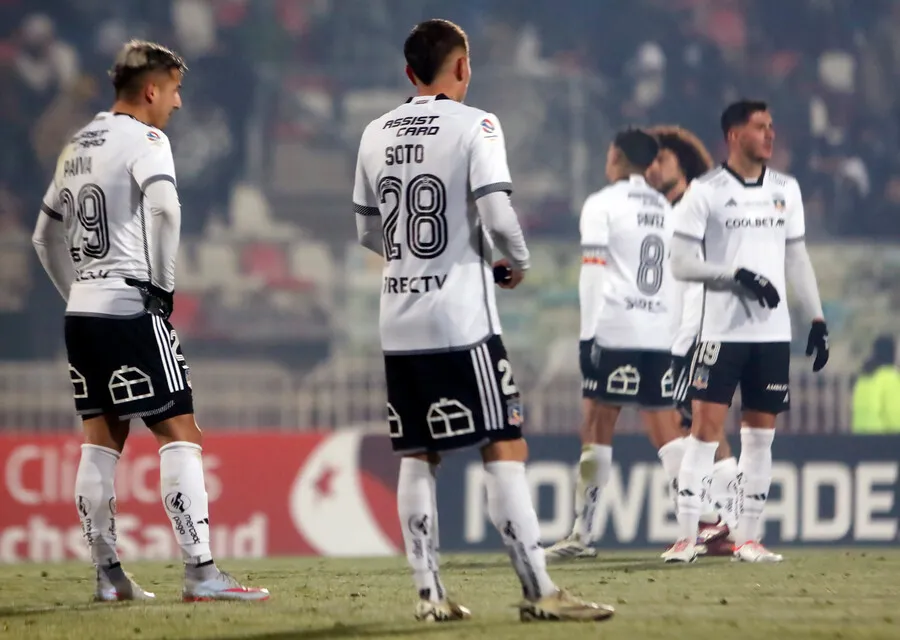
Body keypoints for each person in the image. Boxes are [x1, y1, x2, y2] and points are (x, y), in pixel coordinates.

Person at [351, 19, 613, 623]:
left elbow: (367, 230)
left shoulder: (374, 132)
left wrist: (413, 261)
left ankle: (429, 596)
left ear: (409, 73)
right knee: (503, 442)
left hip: (399, 318)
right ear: (463, 67)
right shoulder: (477, 125)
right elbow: (496, 212)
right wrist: (515, 262)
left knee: (419, 452)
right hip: (460, 321)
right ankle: (539, 590)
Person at [31, 40, 268, 602]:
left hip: (82, 313)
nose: (178, 103)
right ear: (151, 90)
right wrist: (162, 286)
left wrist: (77, 293)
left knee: (99, 442)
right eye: (176, 91)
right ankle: (201, 573)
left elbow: (43, 237)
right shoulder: (146, 140)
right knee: (180, 432)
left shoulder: (78, 143)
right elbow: (165, 207)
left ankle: (108, 578)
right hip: (130, 306)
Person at [663, 100, 829, 563]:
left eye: (771, 126)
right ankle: (686, 538)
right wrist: (735, 275)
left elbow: (797, 257)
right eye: (760, 127)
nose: (770, 134)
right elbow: (681, 263)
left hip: (772, 336)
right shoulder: (705, 191)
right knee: (704, 434)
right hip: (720, 332)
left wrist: (816, 318)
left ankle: (748, 539)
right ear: (734, 136)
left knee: (760, 439)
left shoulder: (786, 189)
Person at [544, 128, 685, 560]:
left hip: (617, 330)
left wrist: (587, 336)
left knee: (596, 424)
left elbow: (592, 272)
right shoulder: (665, 209)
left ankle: (582, 533)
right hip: (659, 332)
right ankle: (695, 526)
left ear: (618, 157)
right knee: (666, 430)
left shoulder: (602, 204)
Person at [647, 126, 738, 556]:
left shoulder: (693, 210)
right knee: (695, 425)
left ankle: (726, 523)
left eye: (661, 160)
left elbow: (702, 279)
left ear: (681, 165)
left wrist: (691, 337)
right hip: (674, 334)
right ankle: (721, 524)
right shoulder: (664, 212)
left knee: (697, 424)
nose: (652, 168)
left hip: (696, 332)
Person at [852, 335, 900, 433]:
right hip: (882, 438)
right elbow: (895, 415)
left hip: (860, 438)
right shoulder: (890, 377)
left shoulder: (863, 378)